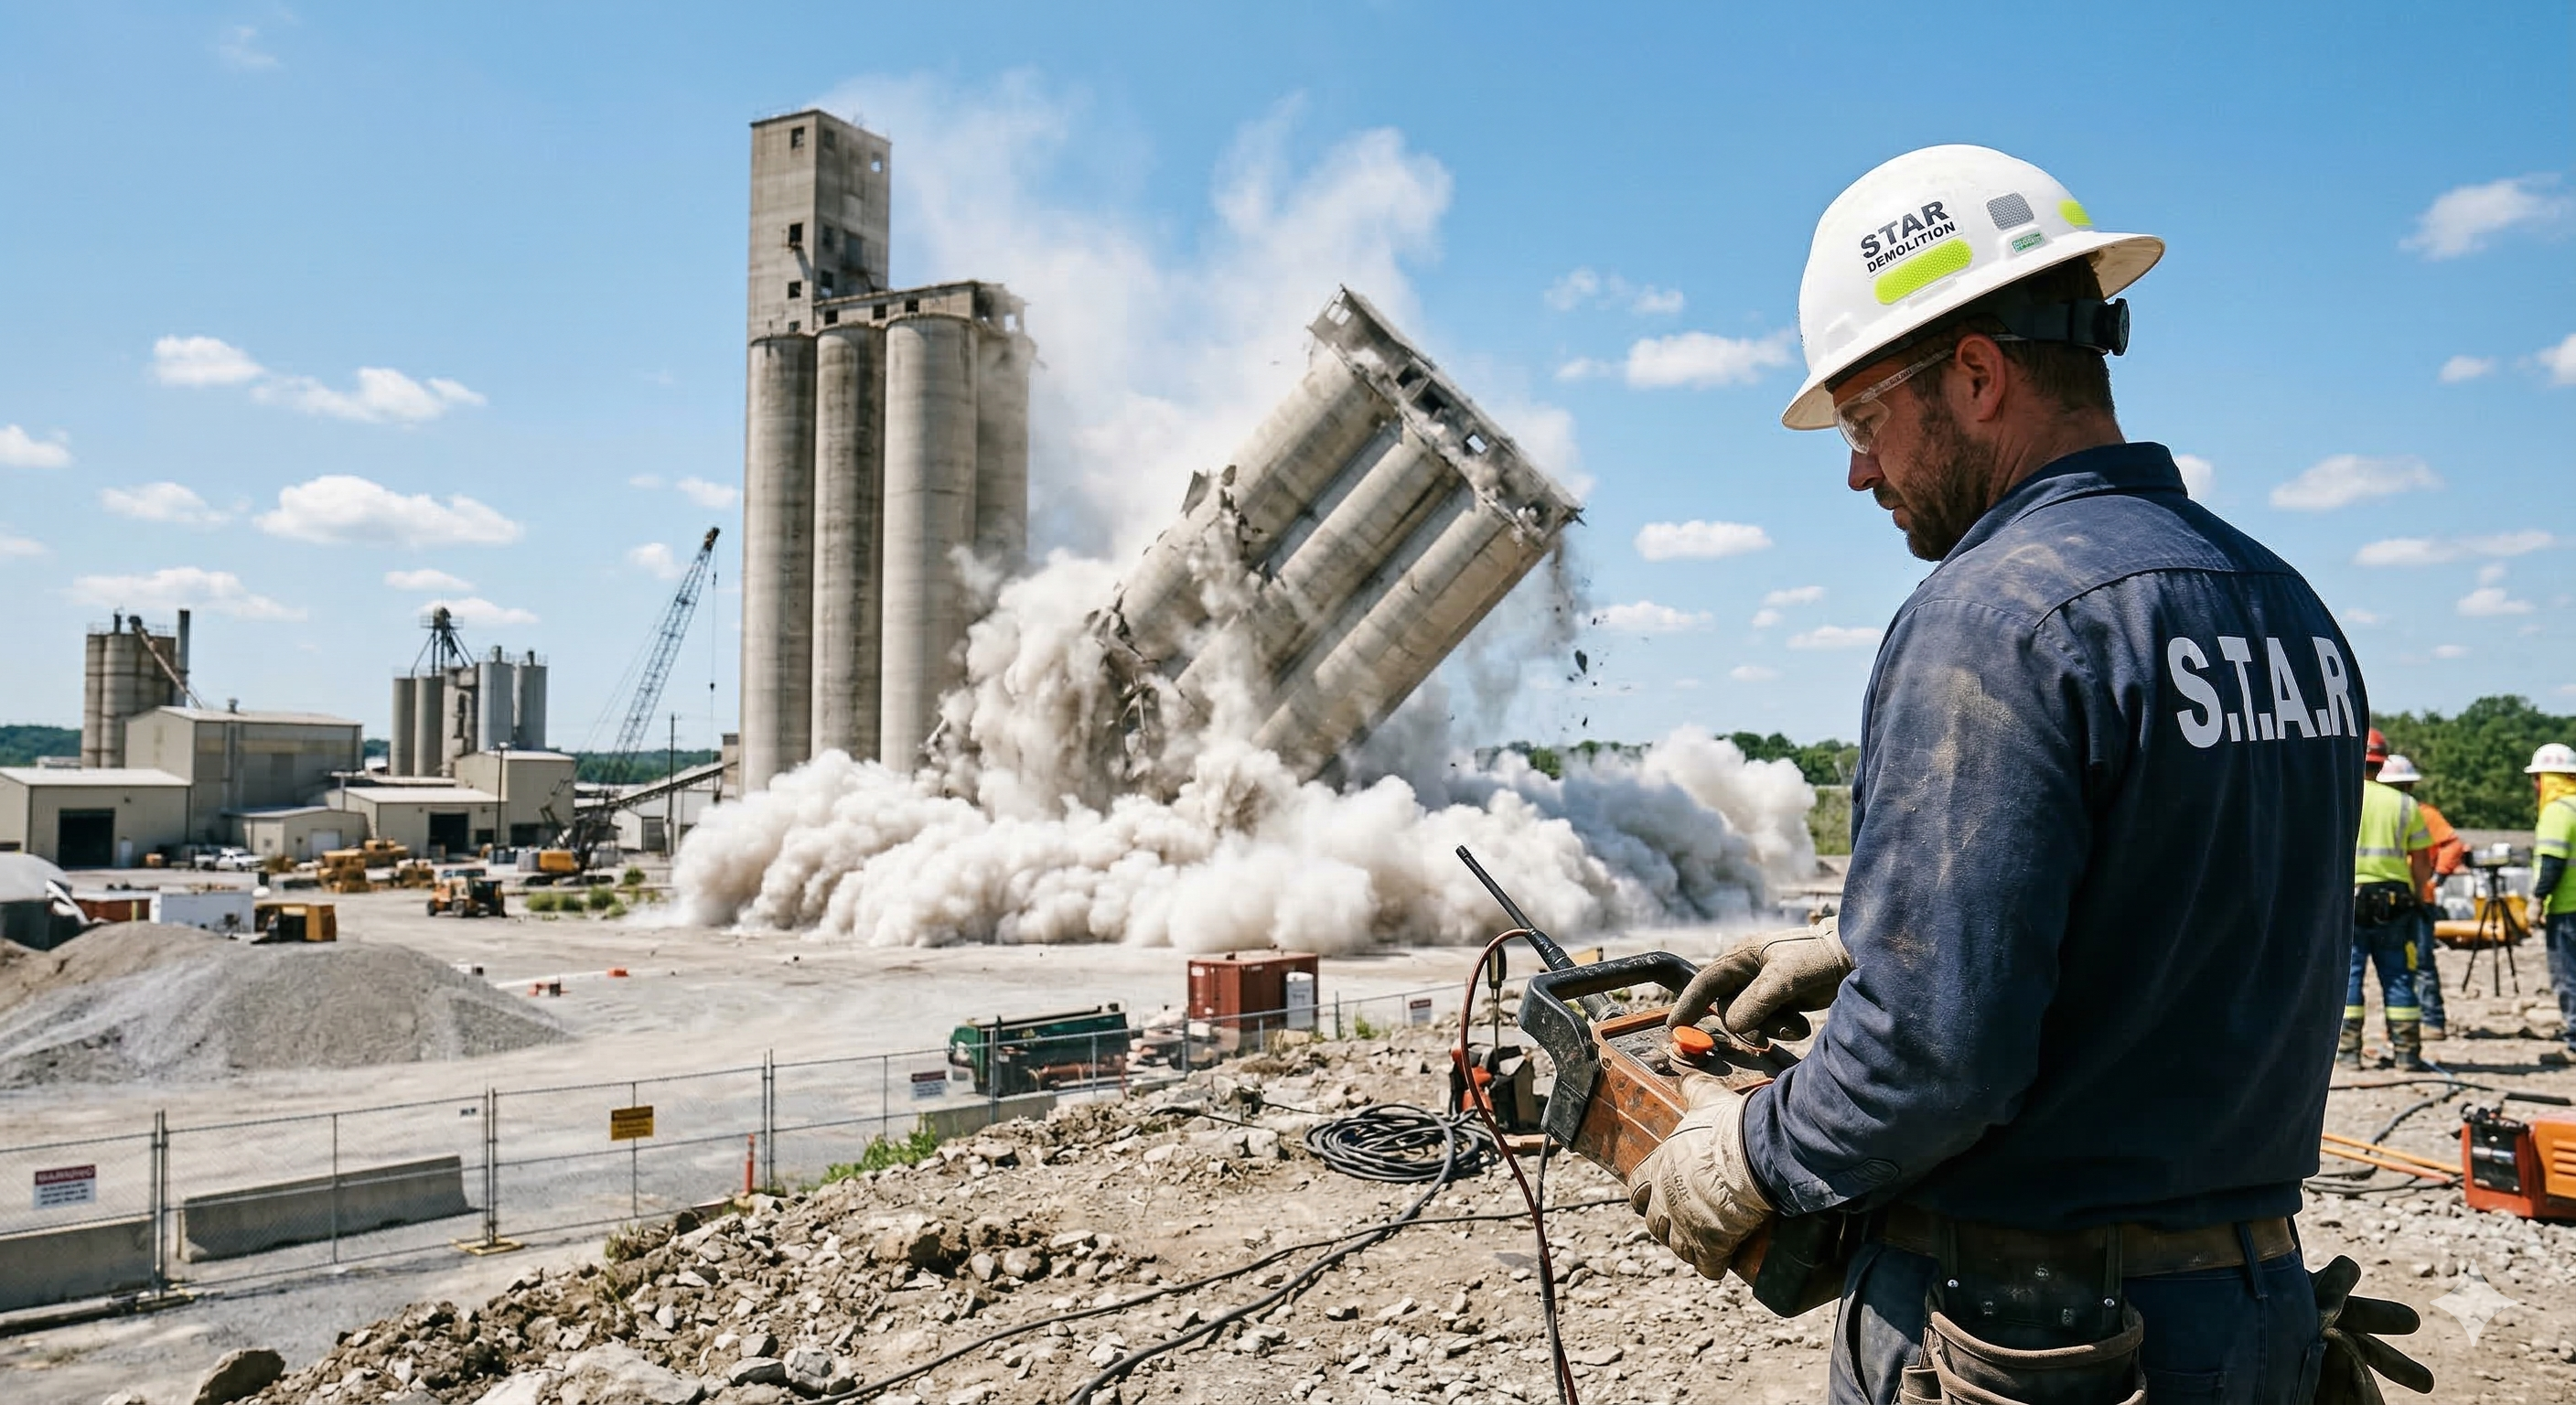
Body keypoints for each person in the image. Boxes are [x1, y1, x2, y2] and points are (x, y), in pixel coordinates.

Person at [1631, 145, 2425, 1405]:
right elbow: (2183, 908)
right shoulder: (2282, 603)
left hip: (2039, 1338)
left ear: (1980, 375)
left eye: (1861, 421)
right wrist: (1880, 946)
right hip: (2250, 1313)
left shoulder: (1992, 617)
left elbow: (1931, 1064)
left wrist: (1748, 1154)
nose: (1856, 470)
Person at [2345, 732, 2437, 1069]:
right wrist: (2418, 895)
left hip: (2349, 901)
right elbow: (2423, 860)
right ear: (2383, 764)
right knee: (2399, 974)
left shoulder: (2341, 797)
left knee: (2349, 974)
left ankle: (2347, 1051)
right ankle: (2406, 1052)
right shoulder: (2405, 804)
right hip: (2394, 901)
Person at [2375, 752, 2463, 1039]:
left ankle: (2431, 1021)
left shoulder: (2422, 812)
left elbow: (2452, 846)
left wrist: (2435, 880)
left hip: (2415, 899)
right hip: (2401, 898)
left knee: (2417, 962)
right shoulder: (2400, 809)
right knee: (2403, 965)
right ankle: (2408, 1024)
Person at [2530, 742, 2576, 1066]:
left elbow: (2552, 862)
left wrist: (2537, 900)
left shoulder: (2559, 810)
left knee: (2568, 975)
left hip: (2568, 908)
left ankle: (2574, 1041)